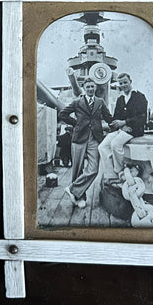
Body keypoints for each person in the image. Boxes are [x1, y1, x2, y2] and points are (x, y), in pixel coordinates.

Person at [58, 78, 113, 208]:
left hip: (95, 138)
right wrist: (76, 123)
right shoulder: (77, 102)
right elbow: (62, 114)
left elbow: (108, 117)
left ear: (95, 88)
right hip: (79, 138)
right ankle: (79, 198)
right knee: (77, 169)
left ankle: (72, 189)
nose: (90, 89)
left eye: (92, 87)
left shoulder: (100, 102)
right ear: (84, 87)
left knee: (93, 169)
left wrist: (120, 127)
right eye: (87, 87)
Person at [98, 73, 148, 183]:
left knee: (115, 144)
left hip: (134, 129)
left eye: (125, 82)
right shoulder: (120, 99)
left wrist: (125, 122)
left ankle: (119, 171)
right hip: (122, 129)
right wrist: (119, 125)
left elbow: (142, 117)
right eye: (121, 83)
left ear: (130, 81)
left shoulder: (139, 97)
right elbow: (116, 117)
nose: (123, 85)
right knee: (102, 146)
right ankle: (110, 173)